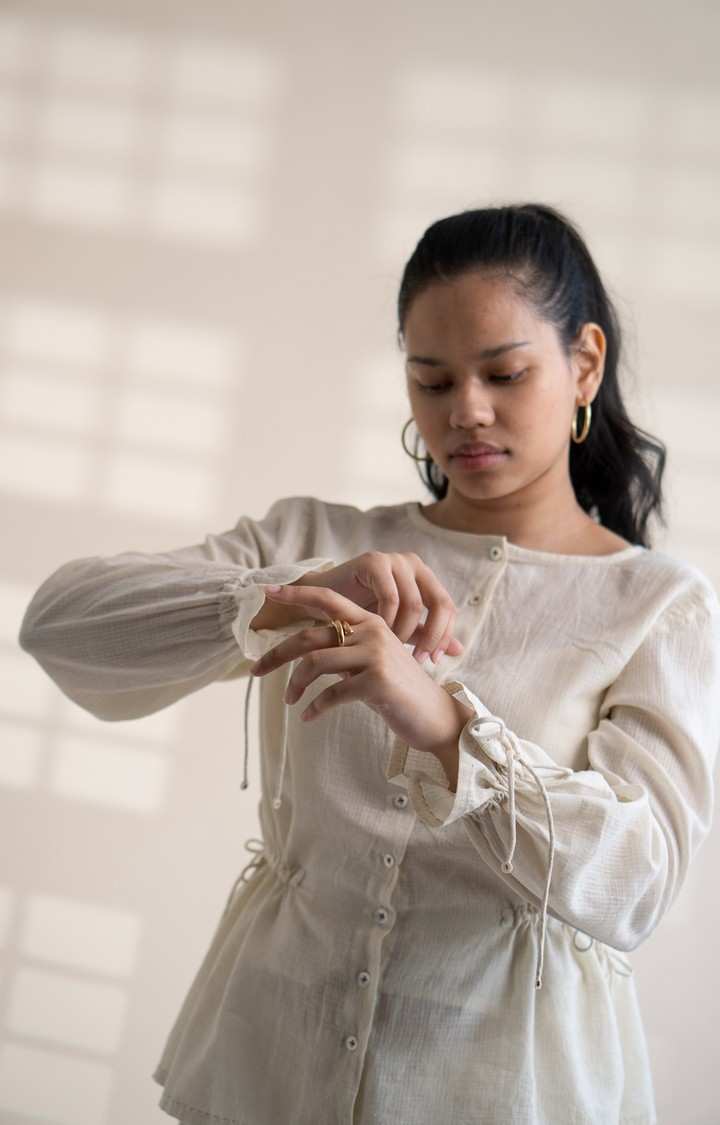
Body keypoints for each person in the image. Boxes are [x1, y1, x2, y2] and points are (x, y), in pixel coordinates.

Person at [18, 202, 720, 1125]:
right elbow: (61, 622)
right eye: (431, 381)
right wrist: (287, 595)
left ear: (584, 361)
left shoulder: (658, 604)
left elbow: (634, 882)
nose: (465, 411)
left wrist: (442, 722)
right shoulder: (319, 538)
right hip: (268, 1067)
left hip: (503, 1090)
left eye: (504, 373)